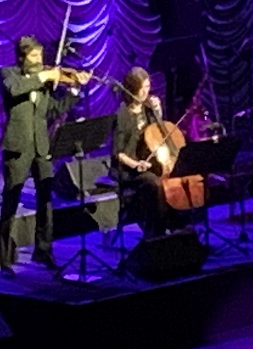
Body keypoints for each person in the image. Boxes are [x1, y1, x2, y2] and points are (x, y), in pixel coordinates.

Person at [1, 36, 91, 277]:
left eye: (41, 57)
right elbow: (15, 89)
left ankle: (43, 250)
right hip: (18, 146)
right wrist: (44, 77)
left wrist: (74, 89)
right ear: (22, 57)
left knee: (46, 201)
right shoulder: (8, 74)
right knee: (10, 202)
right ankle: (2, 258)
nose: (40, 61)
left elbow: (53, 110)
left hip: (42, 147)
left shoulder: (45, 83)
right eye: (34, 57)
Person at [149, 0, 211, 115]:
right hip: (192, 41)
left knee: (171, 83)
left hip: (168, 39)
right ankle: (188, 121)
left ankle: (172, 123)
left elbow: (152, 8)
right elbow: (210, 5)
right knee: (194, 78)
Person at [110, 67, 171, 238]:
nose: (146, 92)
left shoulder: (147, 108)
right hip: (129, 169)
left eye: (148, 87)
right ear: (132, 88)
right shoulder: (122, 113)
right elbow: (118, 152)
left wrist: (158, 111)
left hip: (149, 162)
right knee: (154, 183)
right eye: (142, 88)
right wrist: (136, 164)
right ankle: (156, 231)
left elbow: (160, 133)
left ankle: (174, 222)